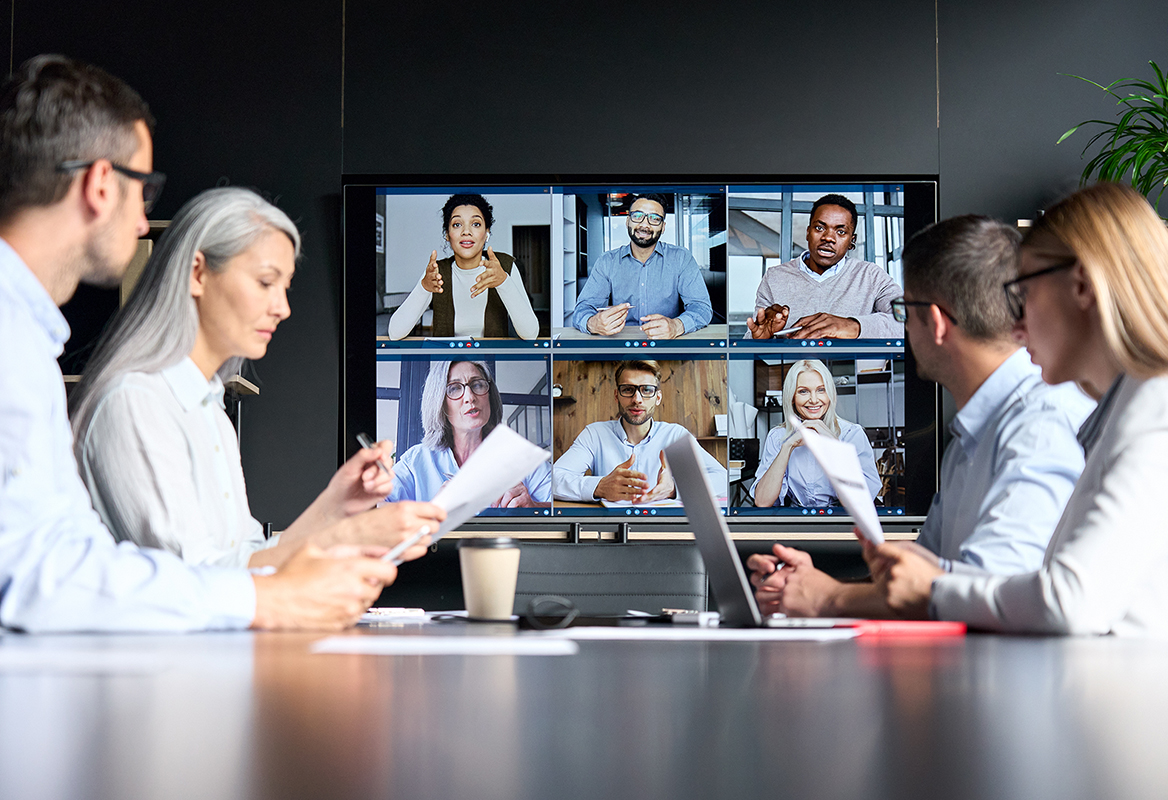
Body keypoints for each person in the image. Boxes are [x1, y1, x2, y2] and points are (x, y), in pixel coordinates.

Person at [0, 54, 431, 632]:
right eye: (144, 190)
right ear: (102, 183)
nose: (140, 222)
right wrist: (326, 554)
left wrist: (335, 510)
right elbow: (49, 574)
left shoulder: (200, 403)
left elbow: (212, 558)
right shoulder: (114, 390)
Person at [69, 187, 446, 569]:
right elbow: (196, 581)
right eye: (266, 282)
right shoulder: (135, 402)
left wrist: (338, 504)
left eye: (285, 287)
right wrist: (349, 536)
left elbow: (247, 559)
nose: (282, 308)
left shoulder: (210, 410)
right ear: (197, 273)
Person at [747, 216, 1093, 618]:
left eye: (904, 309)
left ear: (937, 322)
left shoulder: (1039, 425)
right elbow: (929, 577)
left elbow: (993, 595)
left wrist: (827, 599)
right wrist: (808, 585)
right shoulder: (974, 433)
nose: (903, 326)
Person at [554, 360, 727, 502]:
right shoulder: (594, 434)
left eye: (646, 390)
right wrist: (600, 486)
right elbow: (553, 479)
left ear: (657, 398)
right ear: (617, 396)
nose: (637, 400)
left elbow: (723, 479)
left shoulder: (675, 435)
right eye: (628, 390)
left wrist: (673, 488)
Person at [388, 360, 551, 507]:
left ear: (489, 395)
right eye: (454, 388)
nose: (470, 397)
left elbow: (561, 508)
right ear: (440, 403)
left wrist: (533, 507)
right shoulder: (416, 461)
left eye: (477, 385)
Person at [747, 194, 902, 340]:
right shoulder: (775, 277)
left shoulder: (871, 276)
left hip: (848, 369)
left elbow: (910, 320)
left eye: (841, 232)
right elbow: (752, 337)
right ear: (808, 233)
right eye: (820, 228)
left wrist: (853, 326)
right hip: (792, 369)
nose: (828, 238)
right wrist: (760, 339)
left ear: (851, 241)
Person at [387, 194, 539, 339]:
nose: (466, 231)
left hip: (494, 363)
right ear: (447, 234)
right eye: (457, 224)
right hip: (448, 364)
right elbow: (395, 333)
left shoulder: (504, 266)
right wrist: (424, 288)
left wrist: (504, 282)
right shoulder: (436, 272)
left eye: (476, 224)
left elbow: (531, 334)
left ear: (487, 233)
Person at [571, 193, 713, 339]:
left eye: (654, 218)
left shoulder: (681, 258)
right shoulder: (607, 261)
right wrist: (592, 323)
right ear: (628, 221)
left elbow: (701, 307)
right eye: (638, 216)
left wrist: (677, 326)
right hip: (621, 348)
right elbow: (583, 309)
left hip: (667, 346)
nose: (645, 225)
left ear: (663, 227)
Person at [750, 359, 882, 509]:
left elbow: (858, 503)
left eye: (821, 390)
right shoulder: (777, 437)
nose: (814, 400)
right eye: (803, 391)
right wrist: (788, 446)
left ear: (830, 393)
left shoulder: (852, 434)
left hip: (842, 521)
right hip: (797, 522)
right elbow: (762, 502)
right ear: (792, 397)